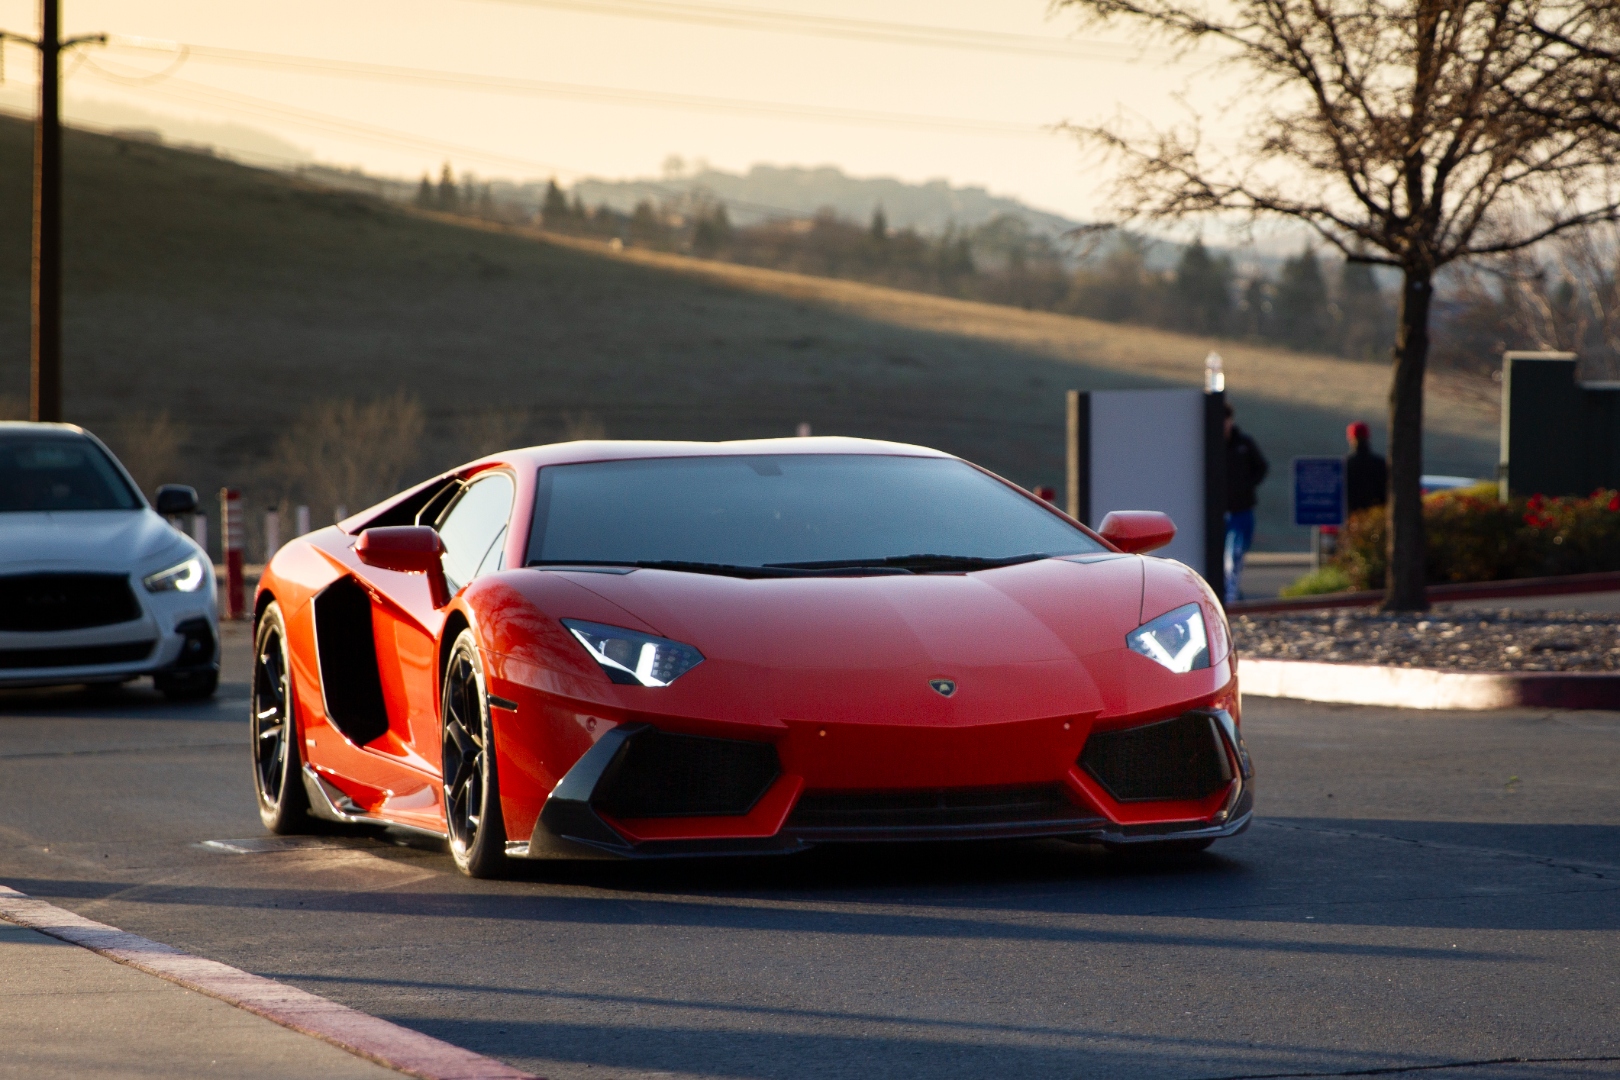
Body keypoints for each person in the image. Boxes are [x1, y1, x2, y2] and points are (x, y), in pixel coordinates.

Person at [1224, 403, 1269, 603]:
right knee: (1218, 556)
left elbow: (1261, 467)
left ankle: (1231, 596)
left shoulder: (1244, 443)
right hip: (1218, 511)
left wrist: (1247, 486)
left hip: (1241, 509)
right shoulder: (1210, 442)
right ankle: (1224, 592)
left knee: (1236, 553)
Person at [1344, 420, 1388, 514]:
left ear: (1350, 438)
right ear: (1368, 437)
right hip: (1376, 519)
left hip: (1351, 519)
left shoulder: (1345, 464)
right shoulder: (1380, 463)